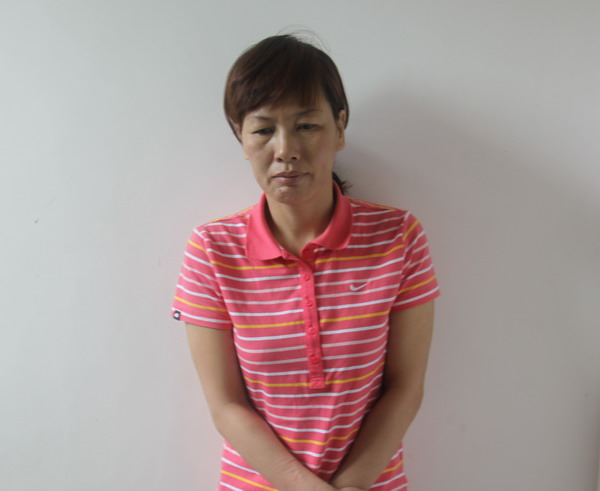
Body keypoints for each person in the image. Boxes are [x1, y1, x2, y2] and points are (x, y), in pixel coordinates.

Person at [171, 34, 440, 491]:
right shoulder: (212, 250)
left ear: (340, 127)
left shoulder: (398, 237)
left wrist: (350, 485)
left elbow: (405, 387)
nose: (286, 149)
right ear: (241, 138)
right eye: (263, 130)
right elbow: (226, 405)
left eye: (307, 125)